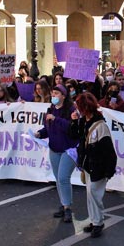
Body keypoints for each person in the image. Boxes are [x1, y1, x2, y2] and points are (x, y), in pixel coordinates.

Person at [69, 93, 117, 238]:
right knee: (90, 195)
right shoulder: (83, 121)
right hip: (89, 165)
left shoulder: (100, 126)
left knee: (94, 194)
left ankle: (98, 223)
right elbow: (73, 135)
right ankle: (95, 221)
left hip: (98, 166)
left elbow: (109, 151)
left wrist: (109, 171)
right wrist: (74, 122)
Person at [35, 85, 77, 223]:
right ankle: (64, 204)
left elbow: (72, 128)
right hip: (54, 149)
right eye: (52, 93)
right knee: (58, 179)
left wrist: (55, 119)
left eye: (56, 93)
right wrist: (39, 133)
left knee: (63, 177)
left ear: (63, 96)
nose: (53, 95)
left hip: (69, 149)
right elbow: (47, 129)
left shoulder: (71, 110)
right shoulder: (50, 110)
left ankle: (68, 209)